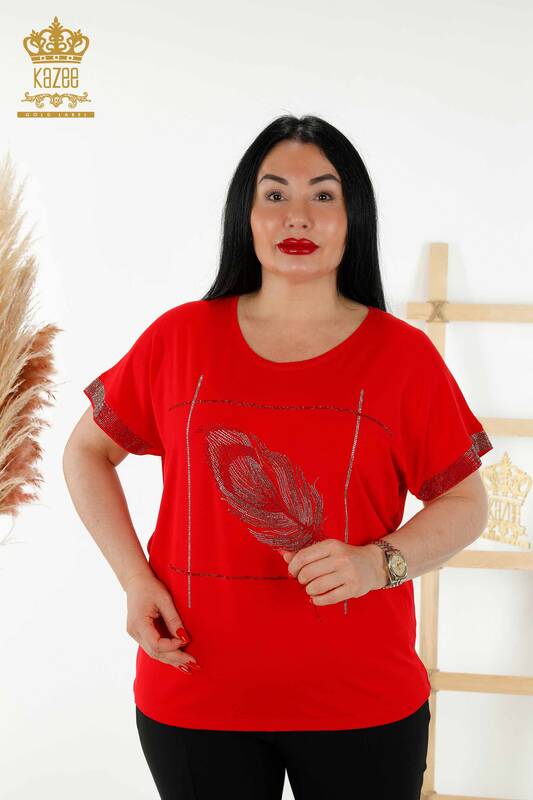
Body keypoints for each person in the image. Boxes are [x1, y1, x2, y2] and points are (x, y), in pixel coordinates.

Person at [63, 114, 493, 800]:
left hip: (362, 702)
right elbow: (87, 450)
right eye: (274, 194)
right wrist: (134, 580)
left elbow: (467, 502)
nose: (298, 215)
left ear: (353, 217)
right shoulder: (179, 338)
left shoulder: (402, 356)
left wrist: (377, 563)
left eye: (323, 195)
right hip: (194, 693)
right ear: (246, 215)